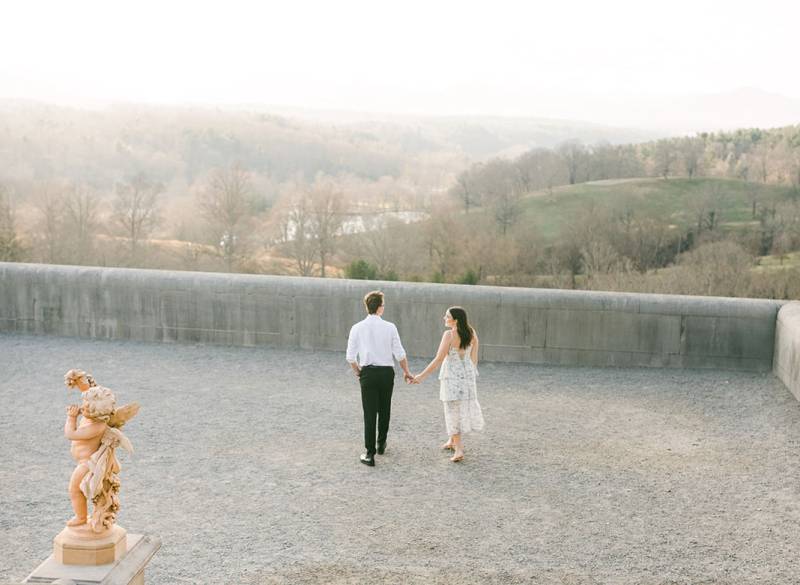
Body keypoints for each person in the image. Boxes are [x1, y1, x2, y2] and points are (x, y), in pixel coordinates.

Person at [346, 290, 413, 467]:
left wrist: (358, 372)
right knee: (384, 410)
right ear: (380, 308)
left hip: (367, 372)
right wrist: (406, 372)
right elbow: (400, 354)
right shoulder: (390, 327)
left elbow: (350, 357)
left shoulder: (357, 328)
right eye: (383, 304)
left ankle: (369, 453)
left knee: (369, 413)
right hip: (386, 373)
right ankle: (381, 443)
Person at [412, 306, 484, 462]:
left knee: (452, 411)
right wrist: (469, 376)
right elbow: (474, 359)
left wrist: (421, 376)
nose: (444, 318)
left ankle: (458, 450)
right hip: (467, 377)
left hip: (451, 378)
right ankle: (452, 441)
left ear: (455, 320)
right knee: (458, 408)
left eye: (447, 316)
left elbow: (438, 359)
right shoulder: (471, 333)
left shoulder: (449, 335)